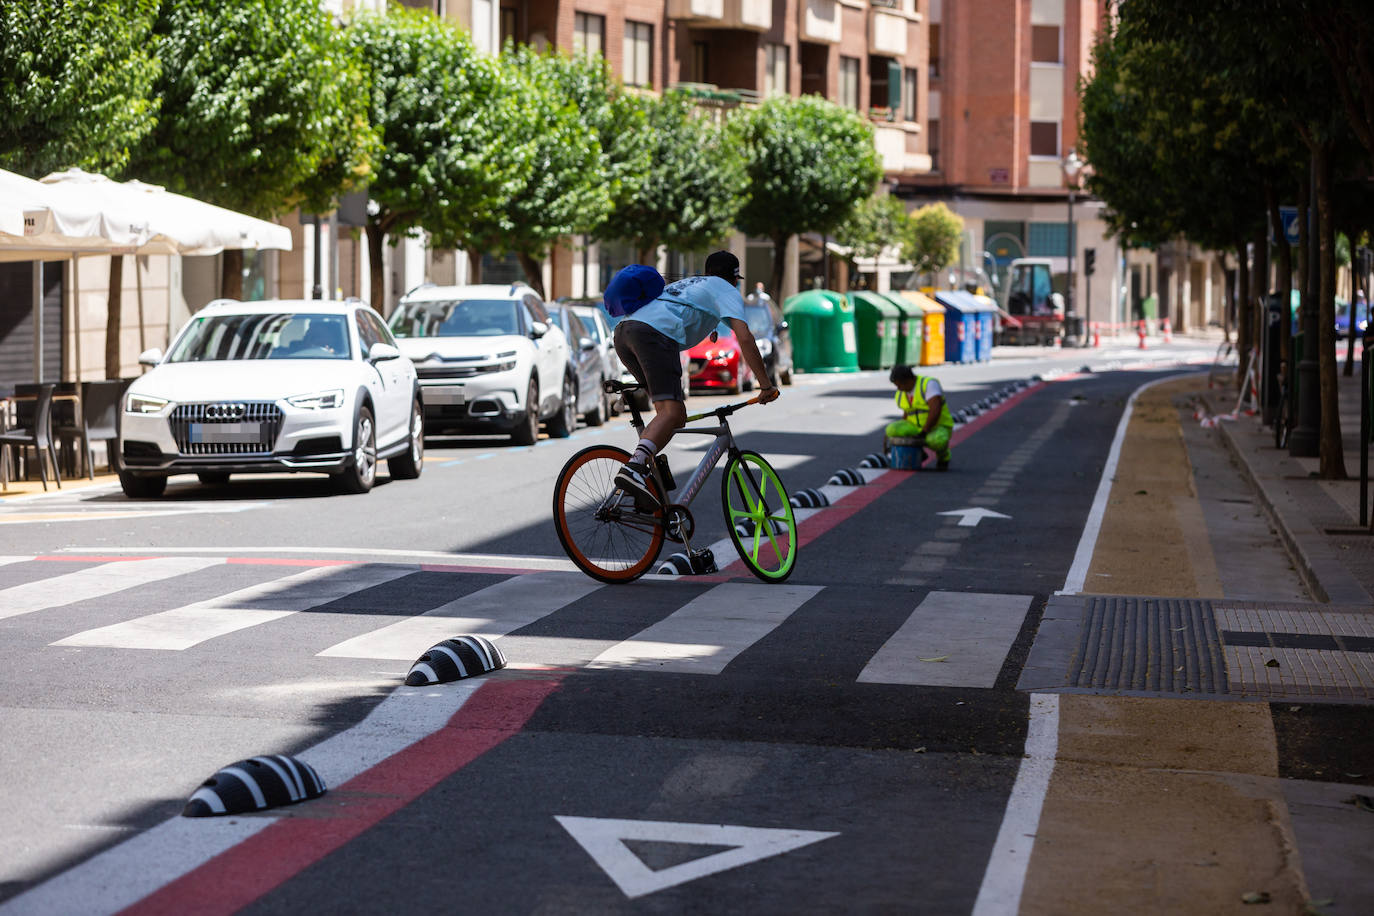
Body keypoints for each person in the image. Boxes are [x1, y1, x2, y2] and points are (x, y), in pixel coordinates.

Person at [612, 250, 778, 507]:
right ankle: (634, 469)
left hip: (624, 333)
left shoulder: (687, 284)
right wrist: (765, 385)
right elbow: (745, 338)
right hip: (654, 335)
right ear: (734, 278)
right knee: (673, 414)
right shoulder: (727, 289)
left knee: (665, 416)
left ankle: (644, 488)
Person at [886, 364, 952, 470]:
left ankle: (944, 457)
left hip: (937, 426)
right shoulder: (902, 391)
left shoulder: (928, 384)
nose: (898, 388)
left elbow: (935, 410)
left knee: (937, 440)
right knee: (892, 428)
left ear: (909, 380)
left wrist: (924, 432)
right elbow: (907, 412)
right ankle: (919, 453)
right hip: (915, 426)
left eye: (899, 385)